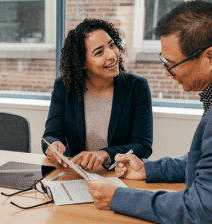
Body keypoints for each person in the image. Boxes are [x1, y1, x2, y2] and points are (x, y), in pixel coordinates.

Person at [87, 2, 212, 224]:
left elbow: (201, 209)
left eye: (173, 63)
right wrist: (149, 170)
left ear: (210, 57)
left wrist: (119, 197)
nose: (168, 72)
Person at [42, 18, 153, 171]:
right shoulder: (64, 87)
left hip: (119, 175)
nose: (112, 55)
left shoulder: (137, 87)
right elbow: (50, 135)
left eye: (112, 45)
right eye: (99, 52)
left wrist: (105, 154)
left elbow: (143, 145)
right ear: (82, 63)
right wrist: (54, 145)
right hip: (76, 174)